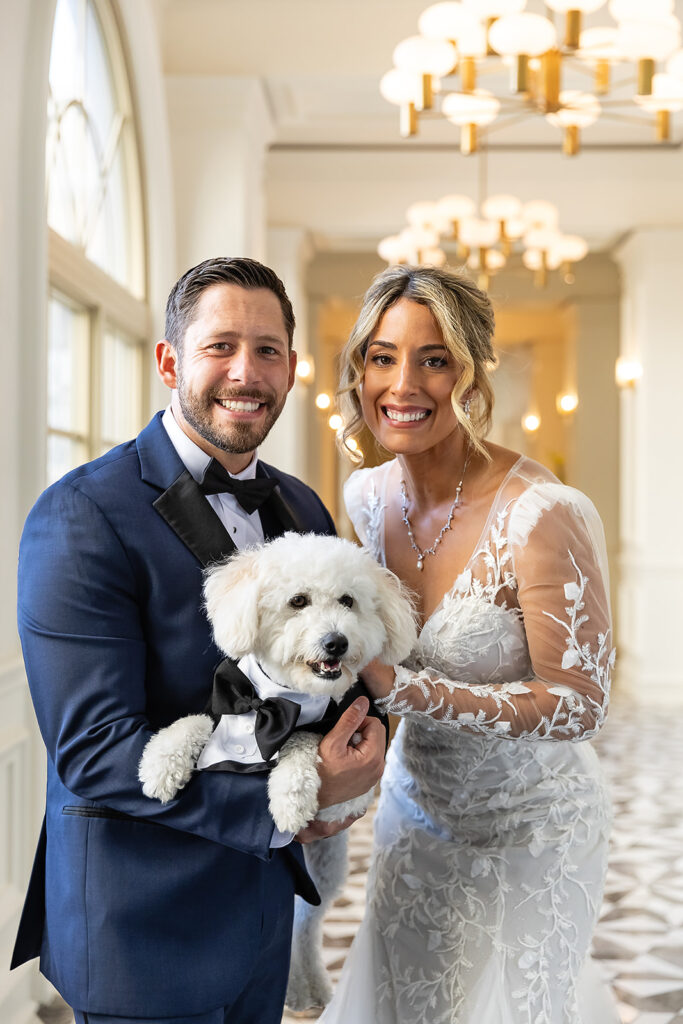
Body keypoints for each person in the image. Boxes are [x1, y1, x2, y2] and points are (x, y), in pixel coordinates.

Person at [11, 257, 387, 1024]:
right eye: (220, 346)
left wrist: (364, 741)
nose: (245, 372)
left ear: (291, 367)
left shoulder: (300, 503)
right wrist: (294, 805)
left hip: (260, 918)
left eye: (267, 350)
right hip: (140, 927)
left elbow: (333, 660)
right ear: (169, 360)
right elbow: (93, 749)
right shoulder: (80, 513)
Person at [320, 264, 619, 1024]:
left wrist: (410, 691)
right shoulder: (365, 497)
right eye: (382, 357)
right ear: (358, 369)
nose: (403, 383)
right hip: (416, 819)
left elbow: (578, 706)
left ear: (471, 373)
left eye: (434, 359)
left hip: (532, 831)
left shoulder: (541, 514)